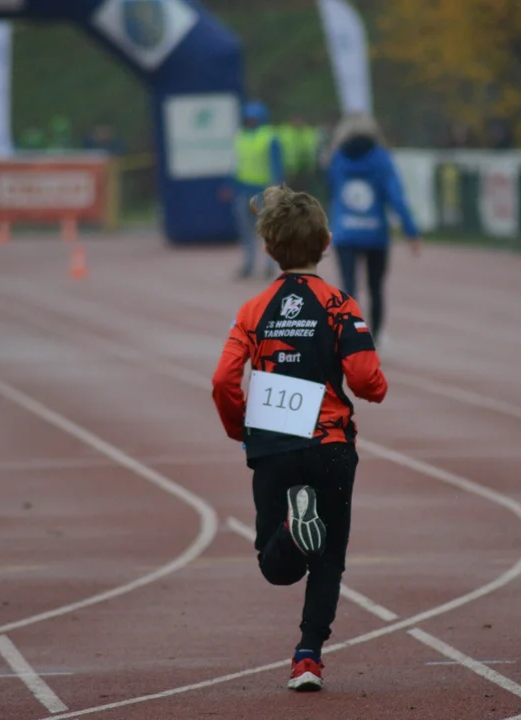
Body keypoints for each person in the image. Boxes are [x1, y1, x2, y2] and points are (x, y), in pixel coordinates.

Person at [210, 185, 388, 692]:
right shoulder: (339, 305)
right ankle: (307, 657)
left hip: (273, 446)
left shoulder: (252, 310)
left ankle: (291, 532)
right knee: (329, 559)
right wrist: (376, 388)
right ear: (327, 242)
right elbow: (365, 378)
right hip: (332, 447)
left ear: (267, 250)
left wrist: (238, 428)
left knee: (276, 566)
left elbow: (223, 381)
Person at [325, 114, 421, 344]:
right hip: (375, 234)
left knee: (348, 289)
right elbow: (396, 196)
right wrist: (411, 231)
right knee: (375, 288)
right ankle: (375, 336)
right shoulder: (381, 158)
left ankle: (349, 336)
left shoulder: (337, 158)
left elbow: (332, 188)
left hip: (344, 232)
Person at [226, 100, 284, 280]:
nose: (250, 121)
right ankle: (249, 265)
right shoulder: (240, 137)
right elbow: (236, 164)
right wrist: (231, 186)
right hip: (243, 190)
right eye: (248, 118)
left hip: (263, 191)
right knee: (246, 232)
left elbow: (277, 166)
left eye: (254, 118)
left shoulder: (269, 136)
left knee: (268, 231)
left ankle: (270, 266)